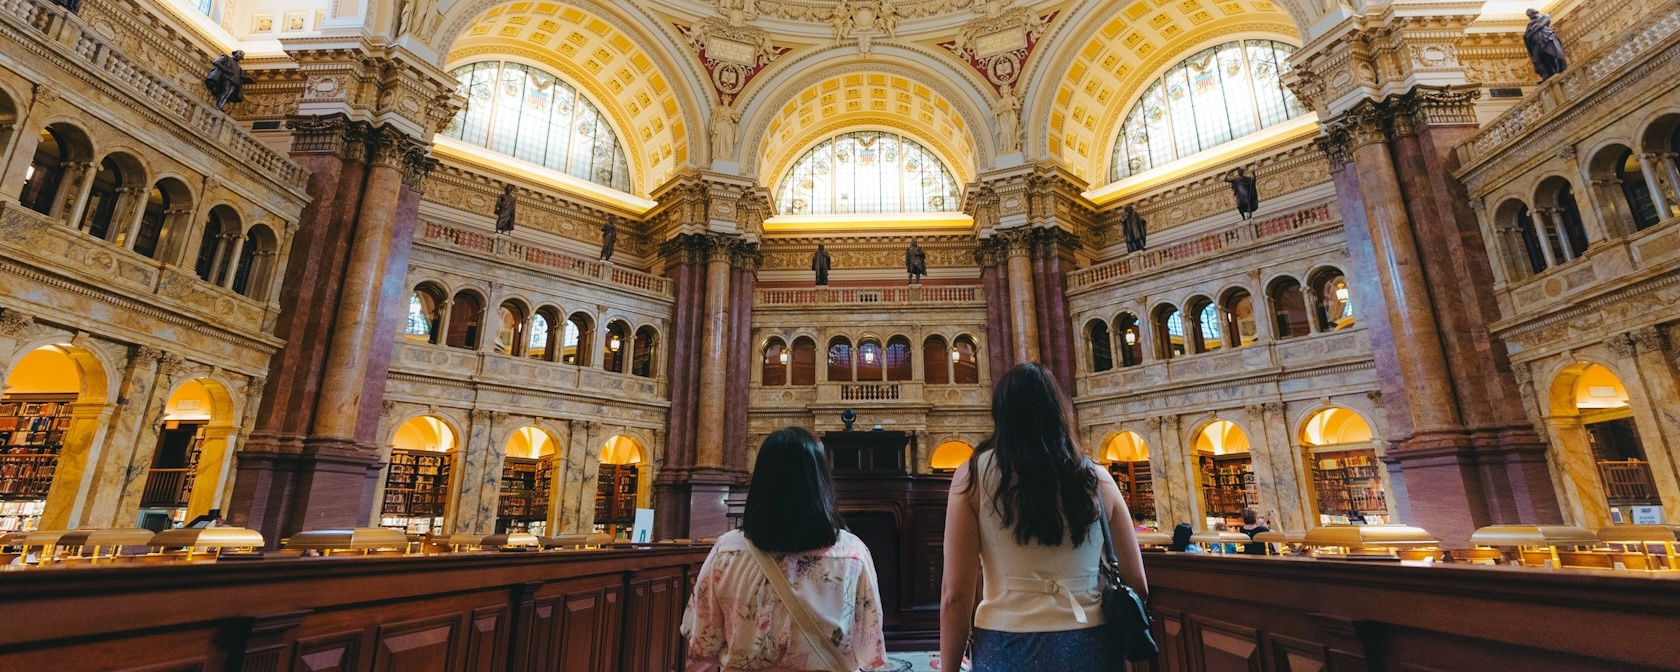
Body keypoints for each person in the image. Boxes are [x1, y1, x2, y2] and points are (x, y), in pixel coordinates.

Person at [940, 363, 1149, 672]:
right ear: (1058, 411)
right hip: (1091, 643)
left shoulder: (971, 477)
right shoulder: (1098, 478)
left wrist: (949, 668)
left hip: (1007, 644)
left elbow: (956, 596)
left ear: (1001, 414)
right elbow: (1138, 584)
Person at [683, 427, 887, 672]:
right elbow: (869, 648)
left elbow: (704, 643)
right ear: (820, 482)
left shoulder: (726, 552)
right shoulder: (853, 553)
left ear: (760, 483)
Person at [1524, 8, 1567, 81]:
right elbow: (1525, 36)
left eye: (1530, 14)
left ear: (1535, 12)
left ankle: (1558, 71)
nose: (1530, 16)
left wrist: (1530, 33)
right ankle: (1546, 76)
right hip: (1536, 43)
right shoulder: (1529, 24)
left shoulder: (1544, 16)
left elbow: (1541, 25)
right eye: (1528, 15)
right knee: (1536, 60)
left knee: (1552, 55)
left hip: (1546, 39)